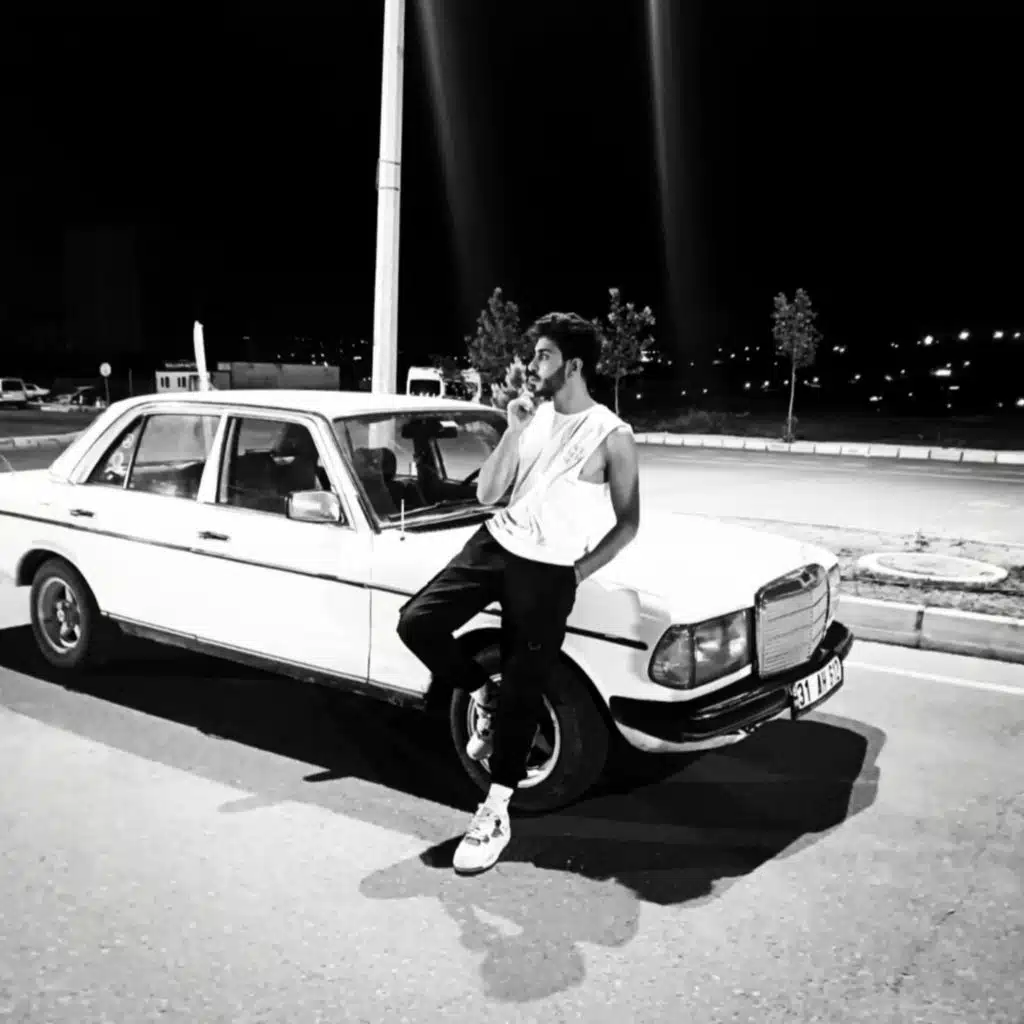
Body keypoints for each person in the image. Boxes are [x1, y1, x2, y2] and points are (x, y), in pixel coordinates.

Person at [396, 311, 641, 875]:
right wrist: (511, 429)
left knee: (525, 690)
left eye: (543, 356)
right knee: (417, 622)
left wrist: (576, 574)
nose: (532, 366)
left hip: (549, 572)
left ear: (573, 366)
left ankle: (496, 811)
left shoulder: (612, 435)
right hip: (494, 545)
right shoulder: (531, 417)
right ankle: (482, 691)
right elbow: (487, 493)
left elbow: (628, 523)